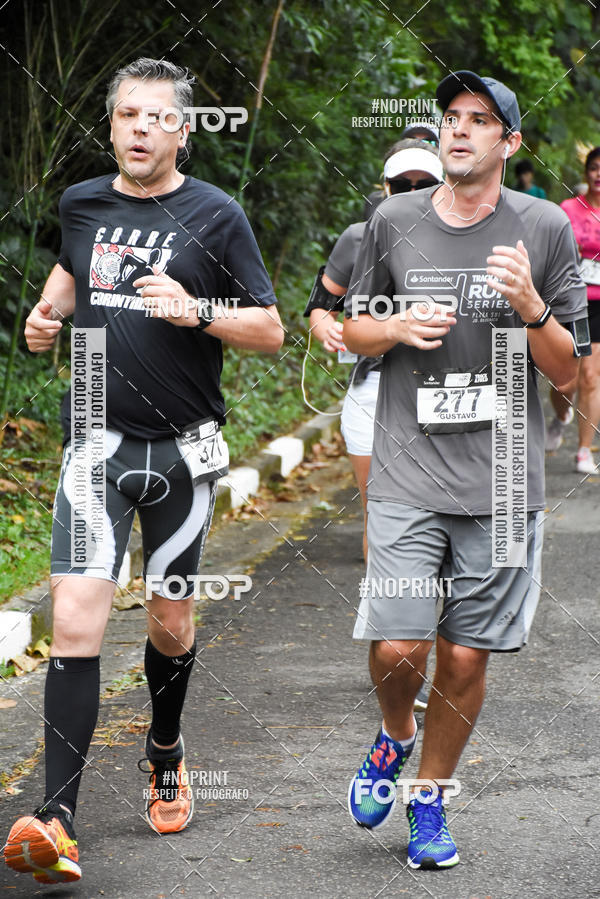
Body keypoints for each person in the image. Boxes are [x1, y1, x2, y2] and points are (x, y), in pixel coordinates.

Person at [4, 58, 282, 886]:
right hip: (94, 440)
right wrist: (46, 315)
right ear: (113, 123)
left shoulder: (216, 214)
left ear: (182, 131)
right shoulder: (83, 202)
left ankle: (164, 747)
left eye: (156, 117)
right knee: (75, 617)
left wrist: (196, 310)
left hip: (182, 451)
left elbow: (270, 328)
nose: (139, 128)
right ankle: (57, 818)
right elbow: (70, 269)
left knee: (169, 620)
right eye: (127, 114)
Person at [343, 70, 587, 869]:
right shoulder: (394, 219)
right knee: (399, 646)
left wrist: (531, 308)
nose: (458, 129)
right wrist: (393, 327)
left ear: (508, 142)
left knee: (466, 654)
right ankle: (396, 731)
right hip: (408, 465)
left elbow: (568, 371)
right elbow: (349, 327)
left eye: (479, 119)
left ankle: (429, 798)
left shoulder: (543, 226)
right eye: (451, 116)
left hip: (505, 476)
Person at [306, 140, 443, 713]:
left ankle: (427, 652)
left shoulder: (467, 239)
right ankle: (397, 652)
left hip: (443, 403)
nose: (411, 194)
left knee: (444, 525)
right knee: (380, 518)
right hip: (373, 395)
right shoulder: (359, 237)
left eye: (423, 185)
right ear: (383, 190)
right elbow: (320, 304)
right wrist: (325, 327)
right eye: (401, 186)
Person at [546, 147, 600, 471]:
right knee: (565, 381)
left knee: (591, 377)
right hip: (573, 302)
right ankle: (561, 414)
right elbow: (555, 251)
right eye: (594, 167)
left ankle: (583, 451)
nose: (599, 174)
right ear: (586, 172)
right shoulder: (568, 209)